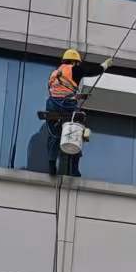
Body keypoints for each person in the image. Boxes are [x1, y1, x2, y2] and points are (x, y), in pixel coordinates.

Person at [42, 47, 109, 177]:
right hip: (66, 104)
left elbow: (55, 90)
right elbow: (92, 71)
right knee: (77, 128)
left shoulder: (55, 73)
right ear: (74, 61)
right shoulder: (74, 69)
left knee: (54, 135)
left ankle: (51, 165)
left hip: (51, 105)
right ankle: (74, 169)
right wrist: (104, 66)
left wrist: (75, 95)